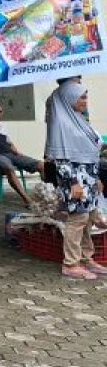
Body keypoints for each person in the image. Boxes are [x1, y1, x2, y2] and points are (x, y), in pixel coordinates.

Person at [43, 81, 107, 280]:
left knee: (88, 218)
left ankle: (86, 259)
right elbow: (60, 158)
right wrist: (73, 182)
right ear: (69, 98)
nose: (85, 101)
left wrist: (95, 178)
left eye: (86, 96)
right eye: (82, 97)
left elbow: (92, 148)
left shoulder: (78, 119)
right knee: (77, 219)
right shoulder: (61, 124)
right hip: (74, 178)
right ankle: (71, 263)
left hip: (88, 176)